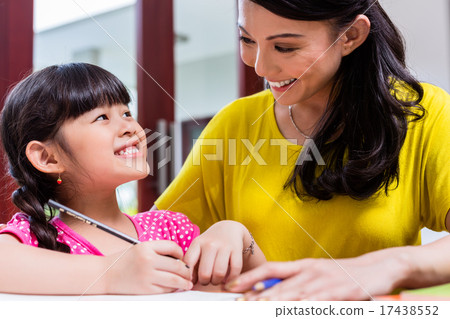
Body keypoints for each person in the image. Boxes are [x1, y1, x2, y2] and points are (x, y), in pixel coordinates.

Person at [155, 0, 450, 300]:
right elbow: (149, 241)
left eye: (284, 47)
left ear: (350, 36)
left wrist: (387, 267)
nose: (261, 67)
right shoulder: (234, 124)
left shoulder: (422, 114)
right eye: (247, 40)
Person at [0, 63, 265, 295]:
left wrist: (238, 236)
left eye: (126, 113)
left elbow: (263, 296)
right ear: (47, 158)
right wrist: (111, 274)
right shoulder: (34, 238)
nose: (131, 128)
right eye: (102, 117)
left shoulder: (170, 228)